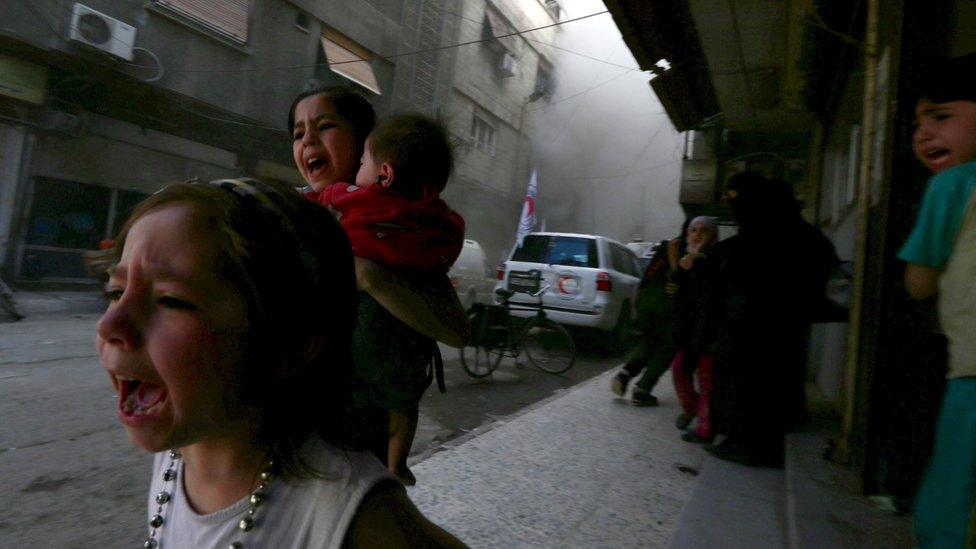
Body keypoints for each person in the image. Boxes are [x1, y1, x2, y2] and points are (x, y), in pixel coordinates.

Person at [96, 178, 466, 548]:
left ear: (292, 343)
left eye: (171, 300)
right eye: (116, 291)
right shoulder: (175, 456)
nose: (110, 324)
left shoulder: (352, 519)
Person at [290, 86, 468, 485]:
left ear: (363, 143)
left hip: (357, 451)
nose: (308, 141)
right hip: (292, 433)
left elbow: (457, 331)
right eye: (298, 133)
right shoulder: (292, 214)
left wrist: (372, 278)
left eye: (325, 126)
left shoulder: (399, 230)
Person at [897, 52, 976, 548]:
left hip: (973, 370)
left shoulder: (952, 185)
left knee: (950, 502)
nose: (923, 134)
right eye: (918, 123)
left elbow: (918, 283)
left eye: (941, 117)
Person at [706, 171, 836, 467]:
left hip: (760, 318)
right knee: (770, 377)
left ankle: (749, 444)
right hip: (777, 318)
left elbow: (757, 264)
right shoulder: (793, 227)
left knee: (750, 379)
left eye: (734, 196)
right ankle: (754, 440)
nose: (732, 204)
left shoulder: (767, 226)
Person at [669, 216, 721, 444]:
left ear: (712, 236)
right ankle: (692, 409)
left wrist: (693, 265)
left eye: (704, 231)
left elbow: (709, 295)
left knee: (706, 380)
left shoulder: (714, 259)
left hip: (709, 332)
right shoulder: (686, 260)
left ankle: (705, 429)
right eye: (693, 230)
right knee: (680, 370)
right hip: (690, 331)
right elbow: (678, 293)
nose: (697, 235)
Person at [611, 239, 678, 406]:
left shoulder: (663, 250)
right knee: (666, 348)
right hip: (666, 304)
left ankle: (625, 374)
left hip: (645, 299)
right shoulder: (684, 249)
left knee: (649, 342)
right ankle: (642, 389)